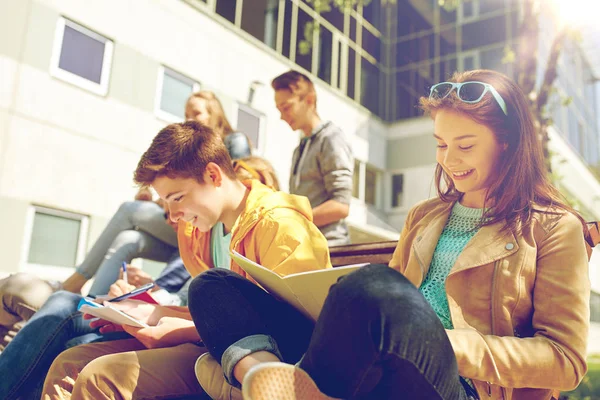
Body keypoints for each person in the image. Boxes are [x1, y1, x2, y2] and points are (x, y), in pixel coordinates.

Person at [191, 70, 591, 400]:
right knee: (214, 287)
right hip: (381, 364)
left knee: (376, 287)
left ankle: (293, 385)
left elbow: (565, 360)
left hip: (460, 386)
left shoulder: (554, 227)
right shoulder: (425, 215)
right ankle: (275, 380)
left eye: (465, 145)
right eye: (440, 144)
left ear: (507, 141)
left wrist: (441, 340)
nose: (449, 160)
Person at [41, 122, 330, 400]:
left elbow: (295, 326)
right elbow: (213, 308)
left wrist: (176, 330)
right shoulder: (200, 232)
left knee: (99, 377)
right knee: (69, 363)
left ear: (214, 176)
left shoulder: (279, 225)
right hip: (208, 344)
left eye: (177, 198)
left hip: (257, 359)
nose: (173, 216)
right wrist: (147, 313)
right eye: (166, 203)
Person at [0, 205, 189, 400]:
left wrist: (152, 292)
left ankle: (78, 289)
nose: (170, 219)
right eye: (164, 210)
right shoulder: (190, 241)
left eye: (175, 201)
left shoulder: (204, 242)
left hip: (161, 319)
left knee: (72, 337)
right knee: (62, 301)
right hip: (146, 309)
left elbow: (186, 302)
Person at [272, 70, 354, 246]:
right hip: (307, 247)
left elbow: (341, 206)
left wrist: (293, 220)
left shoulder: (331, 138)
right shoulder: (299, 148)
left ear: (309, 100)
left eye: (286, 107)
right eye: (279, 110)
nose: (281, 116)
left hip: (332, 250)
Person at [185, 90, 253, 160]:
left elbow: (241, 170)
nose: (189, 120)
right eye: (187, 115)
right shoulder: (189, 150)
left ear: (213, 115)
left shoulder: (235, 140)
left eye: (197, 113)